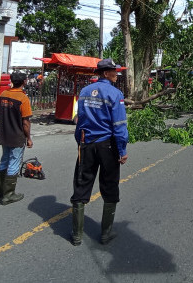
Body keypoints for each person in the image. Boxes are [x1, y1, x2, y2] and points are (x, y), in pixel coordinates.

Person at [70, 58, 129, 246]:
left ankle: (76, 236)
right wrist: (122, 149)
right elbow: (119, 125)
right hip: (107, 146)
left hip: (86, 143)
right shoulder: (115, 93)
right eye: (114, 71)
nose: (117, 74)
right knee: (109, 184)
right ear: (105, 73)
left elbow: (80, 120)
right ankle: (105, 234)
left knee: (81, 183)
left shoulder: (85, 92)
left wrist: (80, 140)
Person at [0, 71, 33, 205]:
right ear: (24, 82)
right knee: (14, 163)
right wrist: (29, 138)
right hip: (16, 136)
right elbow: (26, 123)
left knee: (4, 160)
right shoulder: (23, 99)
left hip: (4, 134)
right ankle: (8, 194)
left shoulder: (4, 94)